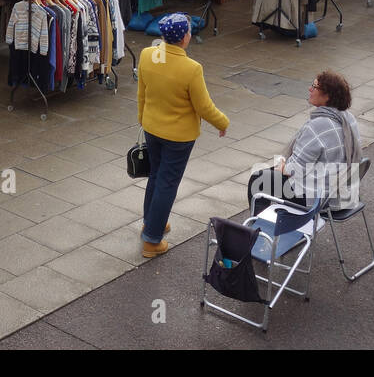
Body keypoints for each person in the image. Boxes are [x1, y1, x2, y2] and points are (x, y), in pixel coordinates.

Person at [136, 13, 230, 258]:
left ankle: (151, 222)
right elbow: (204, 107)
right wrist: (222, 122)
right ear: (184, 38)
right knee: (168, 182)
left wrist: (142, 118)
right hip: (178, 137)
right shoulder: (191, 69)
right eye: (188, 31)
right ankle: (152, 240)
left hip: (152, 128)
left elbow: (141, 94)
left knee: (156, 176)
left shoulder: (148, 55)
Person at [249, 70, 362, 210]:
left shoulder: (317, 126)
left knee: (258, 179)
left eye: (314, 87)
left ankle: (257, 229)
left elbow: (295, 169)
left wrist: (283, 166)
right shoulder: (349, 119)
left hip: (319, 199)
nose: (310, 89)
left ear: (327, 96)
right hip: (345, 194)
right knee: (271, 173)